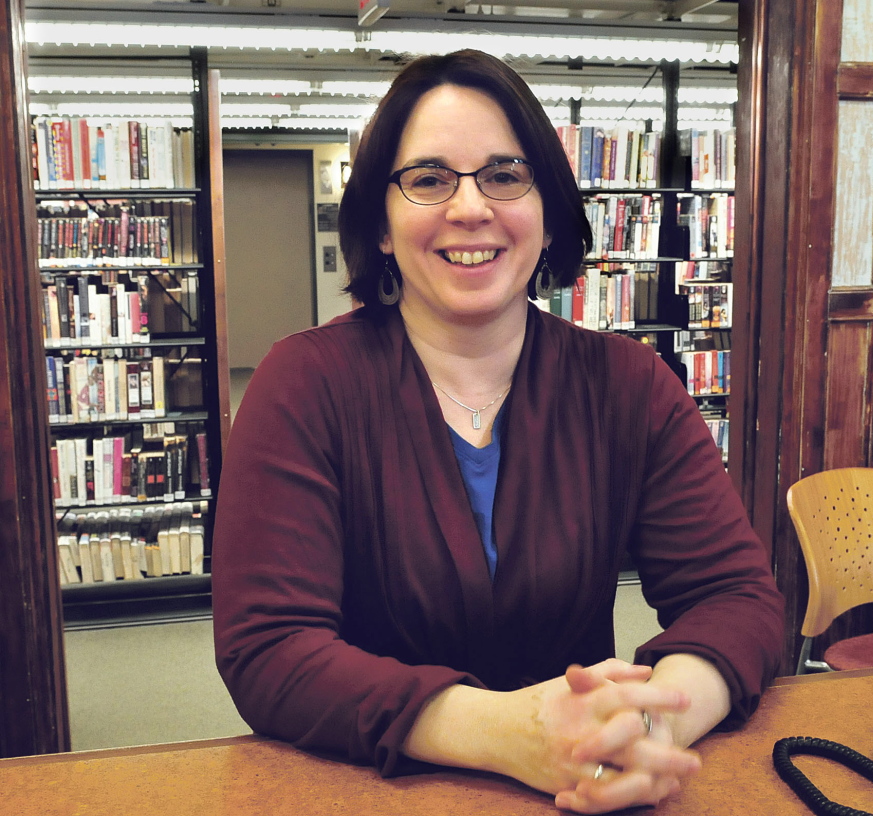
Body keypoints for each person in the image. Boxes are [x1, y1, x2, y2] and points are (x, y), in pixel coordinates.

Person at [212, 49, 784, 815]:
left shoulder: (627, 384)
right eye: (428, 179)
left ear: (546, 212)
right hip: (373, 793)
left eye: (504, 175)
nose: (470, 208)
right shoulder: (303, 385)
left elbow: (736, 597)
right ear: (380, 226)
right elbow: (268, 650)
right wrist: (498, 732)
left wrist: (639, 725)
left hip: (583, 795)